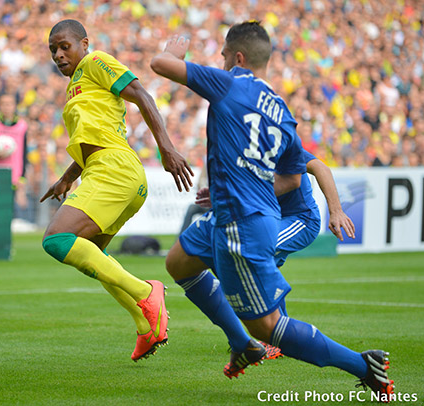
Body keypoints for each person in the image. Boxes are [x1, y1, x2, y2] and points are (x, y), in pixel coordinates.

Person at [150, 21, 393, 400]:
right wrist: (232, 185)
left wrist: (174, 51)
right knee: (179, 261)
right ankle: (240, 342)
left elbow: (160, 65)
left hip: (243, 225)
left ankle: (365, 366)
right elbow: (294, 175)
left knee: (267, 326)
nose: (220, 60)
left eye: (225, 55)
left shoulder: (230, 83)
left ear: (239, 58)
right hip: (237, 214)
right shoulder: (282, 113)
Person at [39, 19, 193, 362]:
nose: (59, 54)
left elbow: (141, 94)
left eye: (65, 46)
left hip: (115, 171)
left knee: (56, 239)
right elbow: (95, 136)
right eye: (53, 50)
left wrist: (166, 148)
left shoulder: (95, 63)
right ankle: (146, 324)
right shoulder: (74, 87)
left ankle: (146, 292)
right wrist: (67, 177)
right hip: (106, 172)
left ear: (84, 44)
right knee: (91, 251)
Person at [170, 150, 355, 361]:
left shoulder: (277, 143)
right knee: (227, 257)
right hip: (267, 218)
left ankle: (274, 337)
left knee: (249, 255)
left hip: (300, 219)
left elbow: (320, 167)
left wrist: (336, 210)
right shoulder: (241, 147)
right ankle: (271, 334)